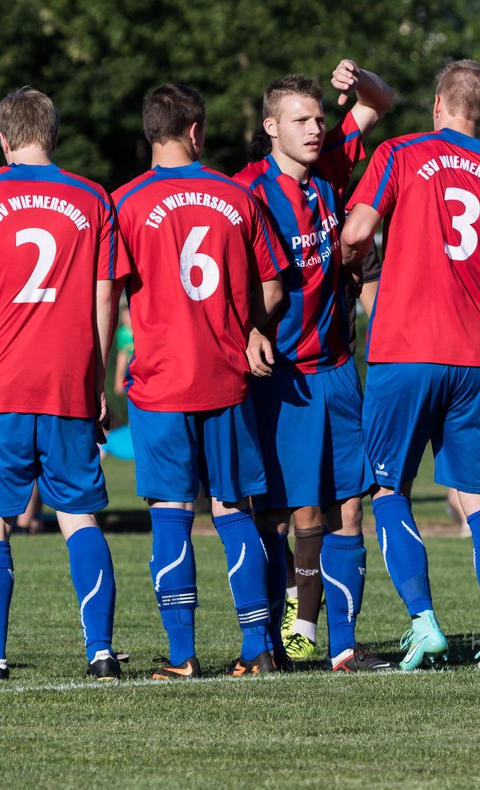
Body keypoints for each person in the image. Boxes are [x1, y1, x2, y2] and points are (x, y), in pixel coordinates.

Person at [340, 59, 480, 672]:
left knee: (388, 489)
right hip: (475, 357)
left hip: (404, 351)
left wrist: (346, 267)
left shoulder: (399, 154)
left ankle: (425, 623)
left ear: (438, 103)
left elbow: (357, 231)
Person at [0, 86, 122, 682]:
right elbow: (105, 296)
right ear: (53, 134)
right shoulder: (93, 198)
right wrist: (96, 377)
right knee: (78, 517)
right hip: (67, 379)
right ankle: (99, 652)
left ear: (3, 138)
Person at [113, 83, 286, 678]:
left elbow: (111, 293)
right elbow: (272, 285)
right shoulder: (237, 197)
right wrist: (252, 329)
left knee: (171, 513)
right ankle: (257, 647)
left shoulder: (126, 203)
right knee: (233, 510)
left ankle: (183, 657)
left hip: (160, 384)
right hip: (226, 378)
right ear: (196, 132)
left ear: (152, 133)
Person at [233, 60, 393, 671]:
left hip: (335, 367)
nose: (316, 128)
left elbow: (382, 99)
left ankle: (343, 646)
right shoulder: (246, 190)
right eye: (301, 119)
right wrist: (247, 330)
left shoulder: (329, 170)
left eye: (320, 117)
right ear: (271, 127)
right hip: (282, 375)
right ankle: (275, 635)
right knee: (280, 511)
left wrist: (358, 80)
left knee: (350, 503)